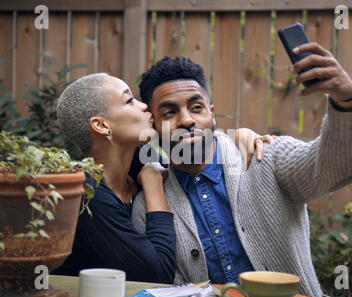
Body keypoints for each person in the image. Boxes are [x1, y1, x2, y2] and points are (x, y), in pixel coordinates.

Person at [131, 43, 352, 297]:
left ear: (211, 115)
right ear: (154, 126)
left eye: (196, 107)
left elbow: (337, 168)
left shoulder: (266, 157)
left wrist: (347, 101)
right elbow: (165, 292)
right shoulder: (149, 208)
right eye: (170, 112)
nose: (187, 119)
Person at [54, 73, 274, 283]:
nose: (144, 106)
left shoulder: (138, 161)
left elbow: (195, 149)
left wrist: (239, 137)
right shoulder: (88, 196)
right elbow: (157, 275)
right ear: (102, 126)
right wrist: (153, 186)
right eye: (130, 101)